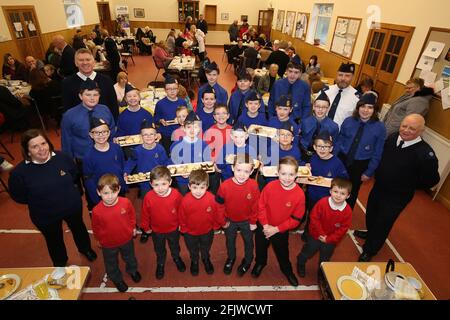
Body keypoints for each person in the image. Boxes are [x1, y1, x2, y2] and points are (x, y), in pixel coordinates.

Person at [355, 114, 440, 262]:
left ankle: (370, 249)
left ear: (421, 131)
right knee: (372, 213)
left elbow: (432, 180)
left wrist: (408, 184)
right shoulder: (393, 137)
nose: (406, 130)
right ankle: (370, 233)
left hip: (398, 196)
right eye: (404, 126)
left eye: (412, 128)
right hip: (379, 187)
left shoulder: (425, 154)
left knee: (384, 221)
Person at [8, 129, 97, 266]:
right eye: (35, 146)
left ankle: (85, 249)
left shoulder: (63, 158)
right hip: (45, 215)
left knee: (79, 228)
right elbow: (19, 196)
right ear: (27, 151)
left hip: (71, 207)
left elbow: (74, 174)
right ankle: (60, 261)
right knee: (53, 239)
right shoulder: (19, 173)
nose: (41, 149)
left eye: (43, 143)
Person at [61, 79, 115, 210]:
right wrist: (70, 165)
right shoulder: (70, 115)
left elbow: (112, 130)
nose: (92, 98)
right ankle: (95, 212)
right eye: (88, 94)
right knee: (91, 189)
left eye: (95, 94)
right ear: (80, 96)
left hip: (105, 156)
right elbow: (66, 142)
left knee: (111, 184)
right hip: (84, 159)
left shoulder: (105, 110)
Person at [252, 156, 306, 286]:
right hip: (264, 226)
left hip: (280, 230)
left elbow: (296, 219)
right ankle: (260, 263)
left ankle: (287, 270)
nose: (287, 178)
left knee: (282, 252)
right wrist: (265, 225)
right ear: (277, 172)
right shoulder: (270, 186)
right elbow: (261, 206)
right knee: (260, 247)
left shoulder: (299, 195)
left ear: (296, 175)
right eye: (283, 174)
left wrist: (276, 229)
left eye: (291, 174)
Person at [335, 92, 386, 209]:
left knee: (352, 191)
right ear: (358, 107)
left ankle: (345, 215)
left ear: (375, 110)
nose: (365, 110)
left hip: (360, 164)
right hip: (342, 159)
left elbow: (378, 152)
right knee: (336, 186)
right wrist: (335, 158)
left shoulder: (380, 127)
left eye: (370, 107)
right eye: (363, 106)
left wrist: (369, 171)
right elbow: (339, 140)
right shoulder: (348, 121)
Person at [91, 173, 141, 292]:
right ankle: (116, 278)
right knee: (111, 263)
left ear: (118, 189)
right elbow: (96, 227)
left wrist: (133, 227)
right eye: (105, 193)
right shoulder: (96, 211)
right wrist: (98, 239)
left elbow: (132, 216)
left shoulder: (126, 203)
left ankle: (132, 270)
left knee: (130, 257)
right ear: (99, 193)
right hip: (108, 244)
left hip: (126, 239)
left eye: (113, 192)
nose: (109, 197)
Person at [297, 178, 353, 278]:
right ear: (330, 191)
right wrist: (321, 234)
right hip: (315, 236)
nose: (338, 195)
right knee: (307, 252)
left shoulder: (347, 211)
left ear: (348, 196)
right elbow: (314, 218)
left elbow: (343, 229)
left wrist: (329, 239)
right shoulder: (322, 203)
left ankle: (321, 271)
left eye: (342, 193)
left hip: (330, 241)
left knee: (325, 257)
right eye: (335, 191)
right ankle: (300, 263)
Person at [214, 153, 259, 276]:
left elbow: (256, 205)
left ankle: (248, 260)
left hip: (247, 221)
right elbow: (219, 205)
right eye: (239, 170)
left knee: (249, 242)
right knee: (230, 241)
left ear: (251, 172)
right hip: (230, 220)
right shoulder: (224, 186)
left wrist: (253, 221)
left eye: (246, 171)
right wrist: (222, 221)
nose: (242, 174)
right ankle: (231, 258)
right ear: (233, 168)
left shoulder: (254, 185)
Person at [140, 166, 186, 279]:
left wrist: (182, 224)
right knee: (159, 248)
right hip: (156, 230)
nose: (160, 188)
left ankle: (176, 257)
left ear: (170, 182)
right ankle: (160, 262)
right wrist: (145, 227)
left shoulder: (176, 195)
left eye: (163, 184)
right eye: (156, 185)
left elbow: (182, 211)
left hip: (173, 229)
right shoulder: (148, 197)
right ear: (151, 184)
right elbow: (145, 213)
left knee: (174, 245)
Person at [179, 169, 220, 275]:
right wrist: (183, 228)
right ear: (189, 187)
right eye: (194, 187)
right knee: (192, 248)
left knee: (206, 247)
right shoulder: (185, 200)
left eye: (202, 187)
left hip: (207, 231)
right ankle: (194, 260)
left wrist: (215, 226)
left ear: (207, 186)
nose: (198, 191)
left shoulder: (212, 199)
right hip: (190, 233)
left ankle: (205, 258)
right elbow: (182, 216)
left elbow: (216, 213)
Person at [62, 48, 118, 119]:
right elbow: (67, 108)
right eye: (81, 60)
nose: (85, 63)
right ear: (76, 63)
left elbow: (113, 104)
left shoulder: (106, 80)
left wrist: (115, 124)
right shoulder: (67, 83)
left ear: (94, 62)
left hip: (104, 125)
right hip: (79, 124)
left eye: (88, 60)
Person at [82, 117, 126, 206]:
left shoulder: (116, 148)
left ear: (109, 132)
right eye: (97, 133)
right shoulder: (88, 156)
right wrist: (96, 199)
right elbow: (89, 180)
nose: (101, 135)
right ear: (91, 135)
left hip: (118, 189)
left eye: (104, 132)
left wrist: (124, 186)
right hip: (104, 195)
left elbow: (122, 166)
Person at [169, 111, 211, 195]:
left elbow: (207, 163)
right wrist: (180, 172)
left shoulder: (204, 145)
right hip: (182, 180)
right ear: (184, 128)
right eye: (189, 127)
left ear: (199, 129)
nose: (192, 130)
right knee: (184, 199)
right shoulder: (175, 145)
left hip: (198, 181)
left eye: (195, 127)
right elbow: (172, 162)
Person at [125, 120, 168, 197]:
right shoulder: (137, 151)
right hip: (144, 182)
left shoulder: (160, 149)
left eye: (151, 134)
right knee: (146, 197)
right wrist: (126, 172)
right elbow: (131, 162)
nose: (149, 137)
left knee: (160, 197)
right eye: (145, 135)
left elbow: (165, 163)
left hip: (159, 180)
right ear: (141, 137)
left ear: (156, 136)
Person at [300, 91, 339, 162]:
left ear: (328, 108)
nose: (320, 109)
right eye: (318, 106)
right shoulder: (304, 122)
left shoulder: (334, 126)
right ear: (313, 107)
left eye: (324, 107)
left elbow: (335, 146)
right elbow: (299, 138)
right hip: (303, 154)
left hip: (322, 157)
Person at [323, 62, 360, 127]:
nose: (343, 78)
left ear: (352, 77)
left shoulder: (357, 98)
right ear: (336, 75)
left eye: (347, 76)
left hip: (339, 134)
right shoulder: (326, 91)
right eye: (340, 75)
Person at [154, 77, 186, 153]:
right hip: (166, 135)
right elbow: (155, 118)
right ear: (165, 90)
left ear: (178, 89)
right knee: (169, 153)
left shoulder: (182, 102)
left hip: (181, 134)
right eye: (169, 89)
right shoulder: (160, 104)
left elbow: (187, 117)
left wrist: (182, 119)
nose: (172, 91)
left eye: (174, 88)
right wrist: (160, 120)